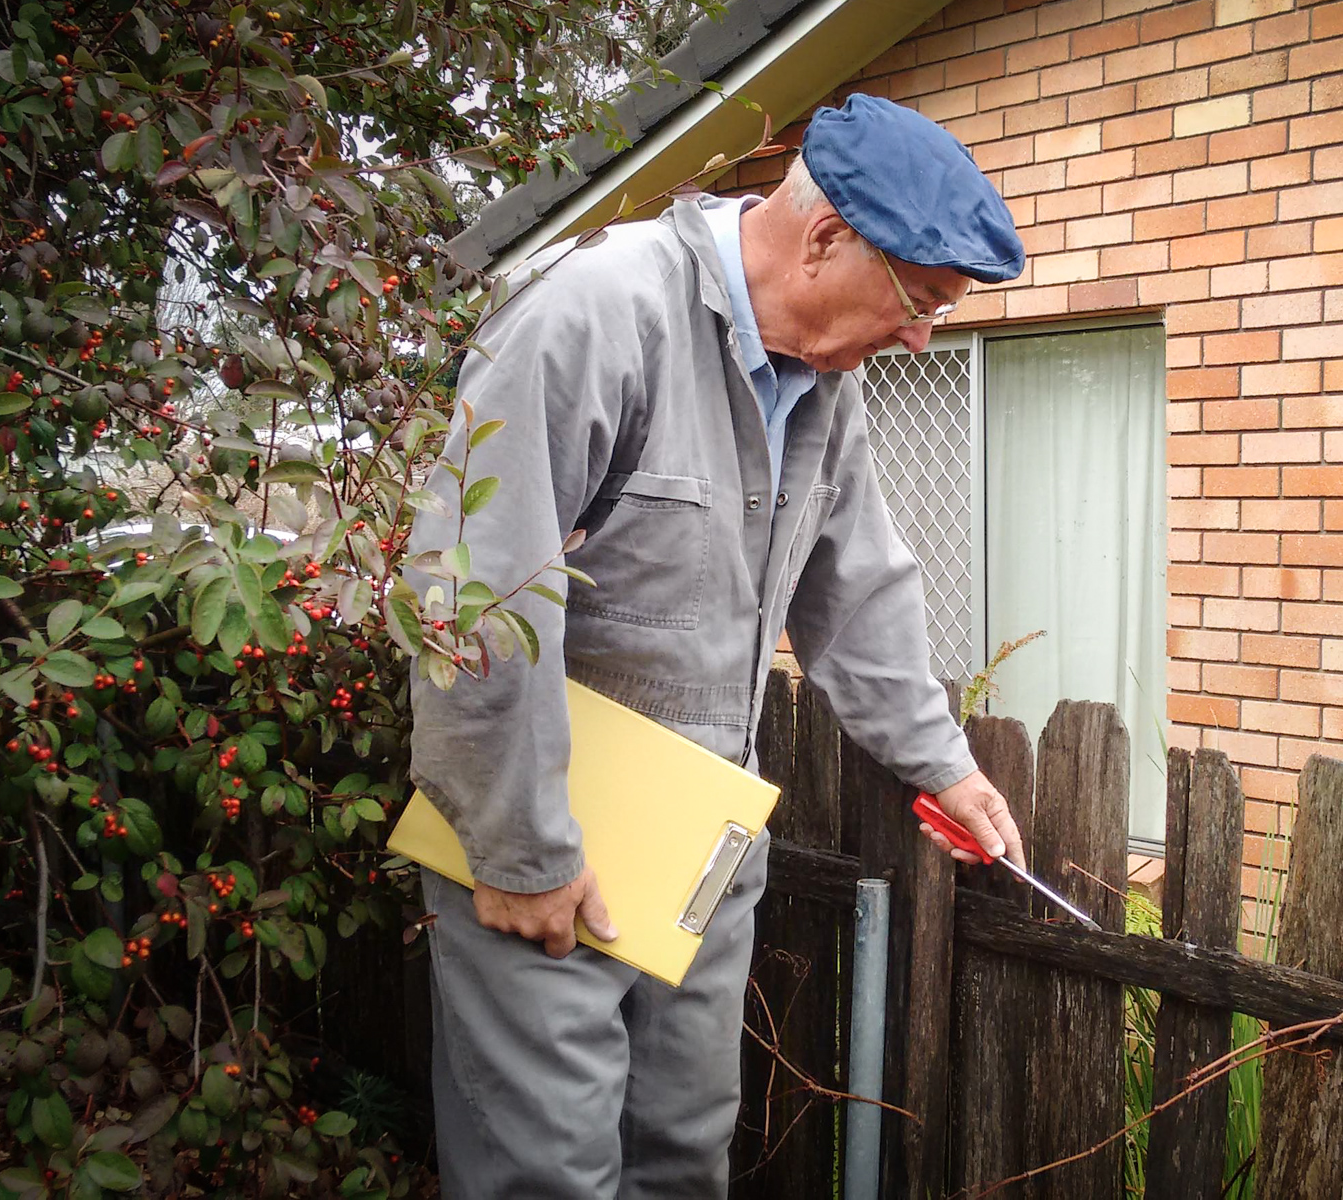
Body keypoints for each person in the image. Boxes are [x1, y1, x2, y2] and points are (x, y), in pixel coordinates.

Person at [404, 93, 1030, 1197]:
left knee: (685, 1157)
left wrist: (946, 764)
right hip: (548, 836)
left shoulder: (827, 386)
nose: (923, 335)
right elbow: (474, 590)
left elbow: (859, 585)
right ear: (828, 237)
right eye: (920, 302)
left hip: (696, 841)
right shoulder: (597, 311)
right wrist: (517, 850)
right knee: (546, 1173)